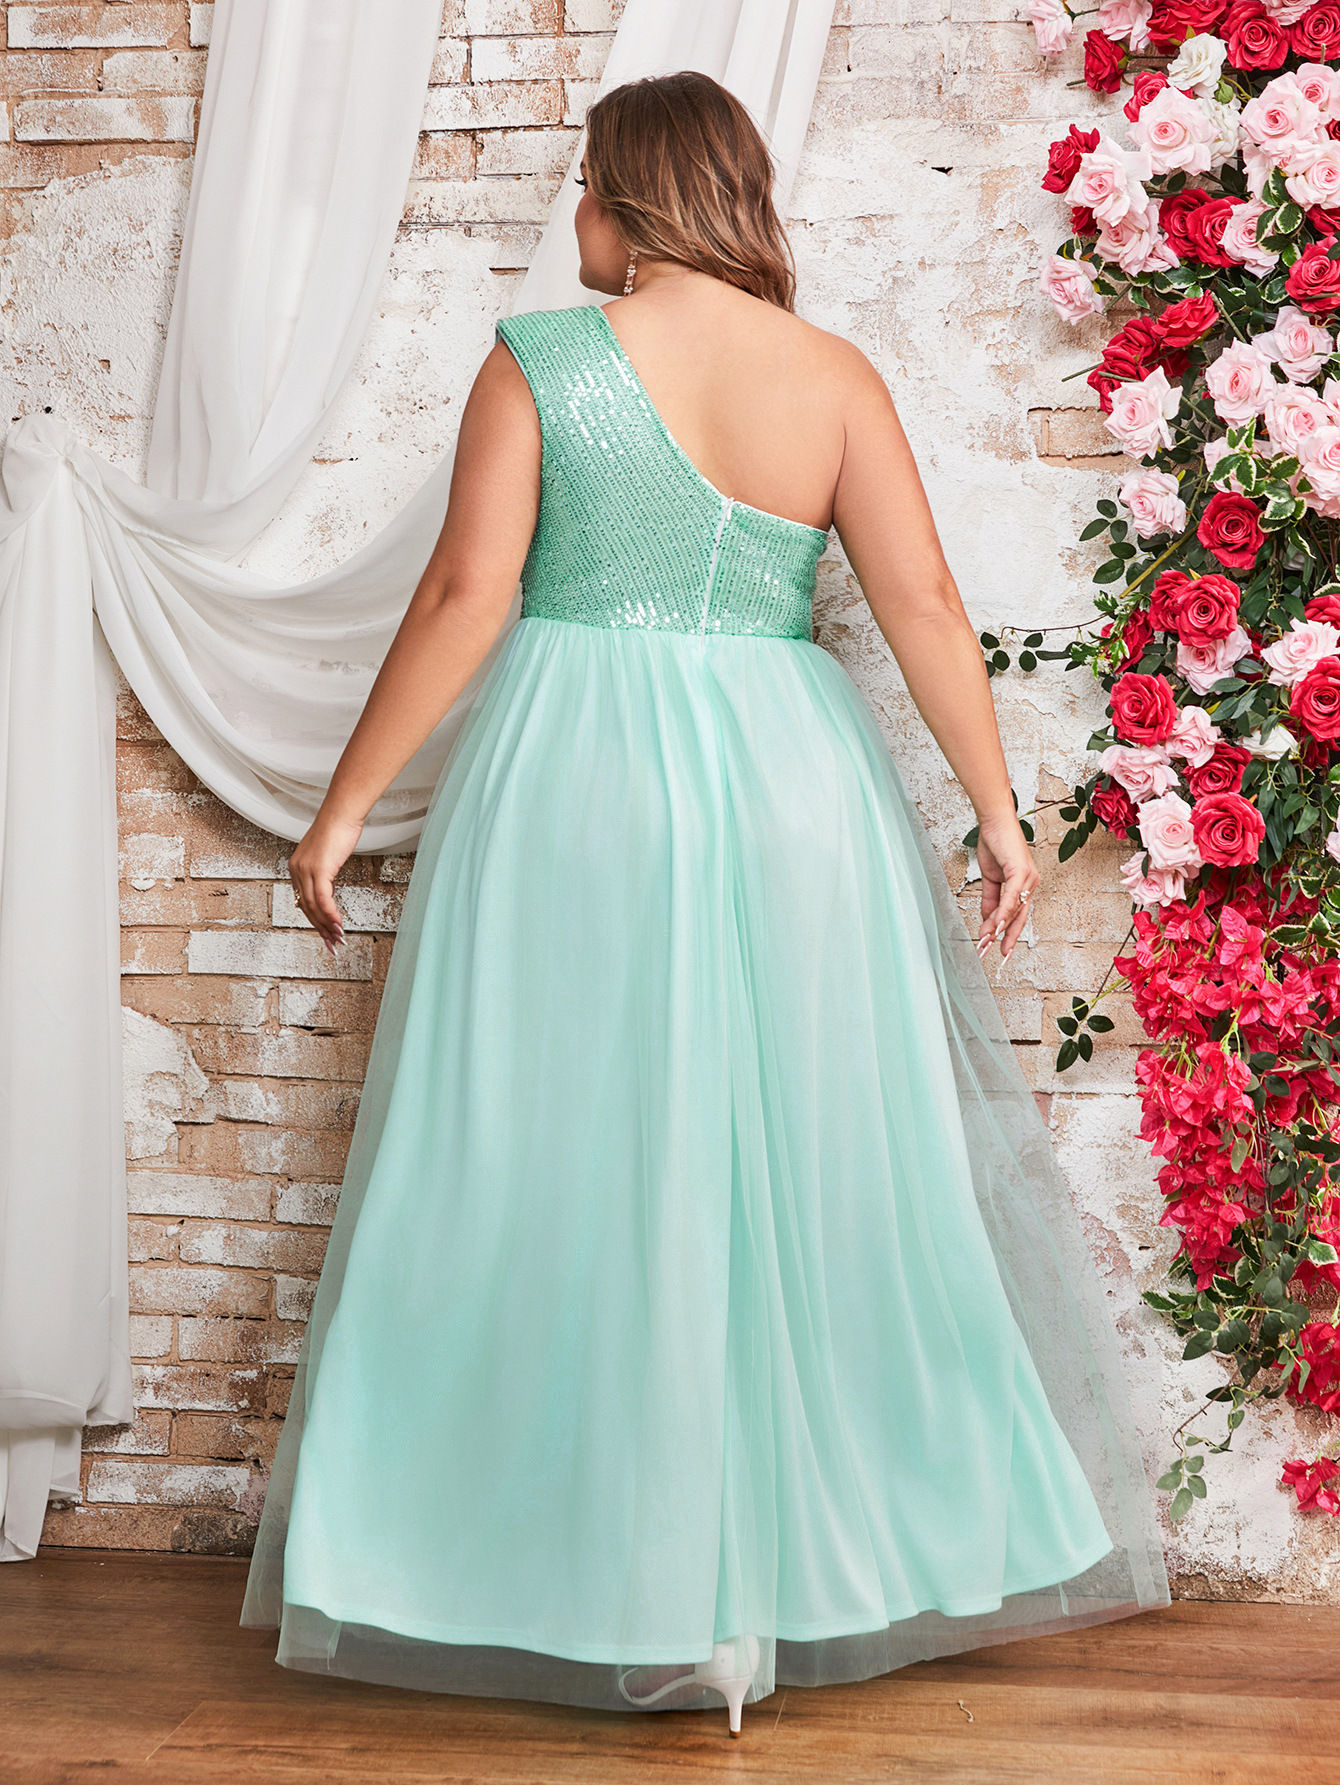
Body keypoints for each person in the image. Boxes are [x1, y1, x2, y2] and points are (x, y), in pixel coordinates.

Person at [240, 70, 1168, 1737]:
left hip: (581, 782)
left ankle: (607, 1575)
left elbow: (466, 592)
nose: (574, 216)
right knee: (801, 1165)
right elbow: (922, 596)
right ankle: (762, 1590)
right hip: (794, 786)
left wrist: (347, 805)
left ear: (632, 197)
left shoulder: (542, 361)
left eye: (587, 186)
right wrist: (997, 813)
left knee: (564, 1159)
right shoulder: (832, 376)